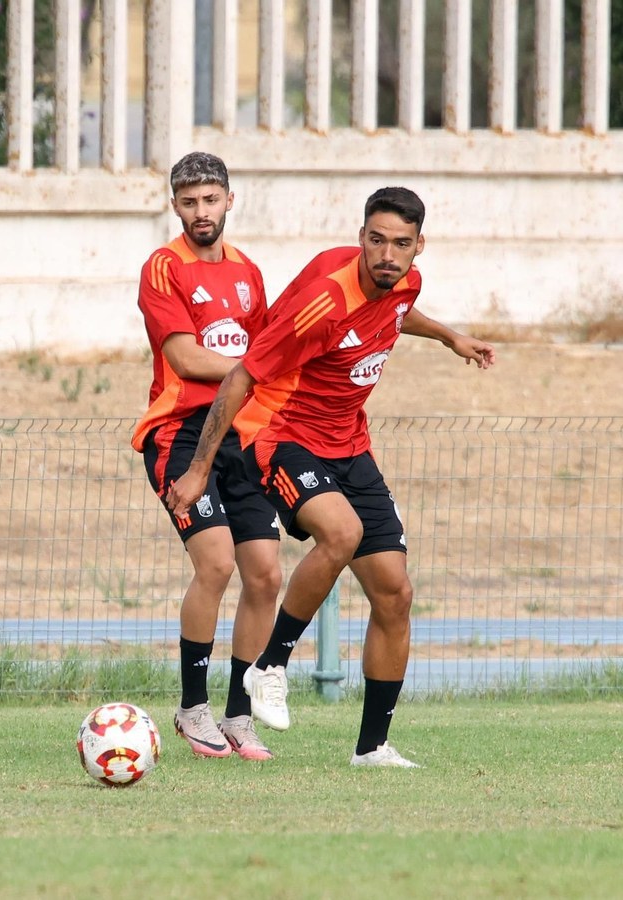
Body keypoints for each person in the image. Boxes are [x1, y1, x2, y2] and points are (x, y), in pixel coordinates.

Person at [167, 187, 495, 767]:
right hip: (282, 433)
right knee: (341, 533)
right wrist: (197, 470)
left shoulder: (405, 283)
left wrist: (450, 337)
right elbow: (240, 378)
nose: (387, 255)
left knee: (394, 592)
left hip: (349, 443)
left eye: (401, 244)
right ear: (361, 236)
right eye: (377, 240)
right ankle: (270, 666)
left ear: (419, 246)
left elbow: (398, 311)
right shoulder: (324, 302)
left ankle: (372, 748)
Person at [132, 152, 281, 761]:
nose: (201, 211)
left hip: (241, 436)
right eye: (190, 201)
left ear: (228, 201)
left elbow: (269, 346)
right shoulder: (163, 267)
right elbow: (187, 358)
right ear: (175, 205)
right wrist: (257, 370)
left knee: (266, 574)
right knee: (216, 565)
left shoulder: (248, 271)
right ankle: (192, 707)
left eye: (211, 200)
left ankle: (238, 715)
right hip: (181, 435)